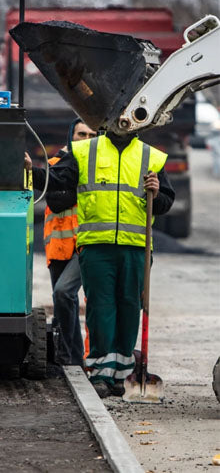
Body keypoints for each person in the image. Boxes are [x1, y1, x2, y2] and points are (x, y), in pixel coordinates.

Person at [25, 129, 175, 398]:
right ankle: (100, 373)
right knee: (100, 307)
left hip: (136, 247)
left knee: (130, 307)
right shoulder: (86, 152)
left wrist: (156, 191)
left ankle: (120, 374)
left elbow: (165, 202)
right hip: (96, 247)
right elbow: (57, 179)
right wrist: (31, 170)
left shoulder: (151, 156)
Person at [45, 119, 96, 367]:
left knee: (67, 294)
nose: (86, 139)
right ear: (71, 138)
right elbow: (56, 200)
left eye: (91, 135)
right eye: (81, 134)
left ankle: (76, 359)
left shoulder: (100, 167)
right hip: (59, 246)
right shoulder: (55, 165)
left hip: (86, 244)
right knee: (64, 301)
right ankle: (72, 360)